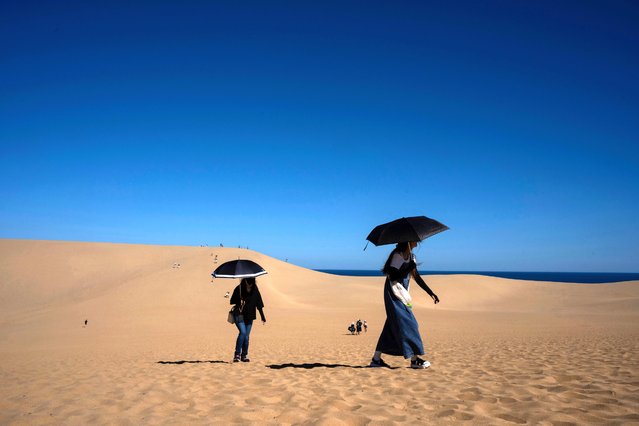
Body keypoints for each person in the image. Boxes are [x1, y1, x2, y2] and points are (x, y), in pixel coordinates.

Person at [370, 241, 440, 369]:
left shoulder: (411, 257)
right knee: (410, 322)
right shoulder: (398, 255)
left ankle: (376, 359)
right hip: (393, 292)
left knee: (392, 324)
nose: (417, 242)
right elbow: (393, 276)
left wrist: (431, 293)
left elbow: (416, 277)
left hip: (402, 294)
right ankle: (414, 360)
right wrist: (408, 267)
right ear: (408, 240)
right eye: (415, 239)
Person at [230, 277, 266, 362]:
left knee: (246, 336)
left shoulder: (255, 289)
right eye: (248, 282)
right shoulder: (239, 288)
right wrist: (240, 300)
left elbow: (259, 304)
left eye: (252, 282)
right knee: (243, 332)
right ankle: (237, 354)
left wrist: (262, 316)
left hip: (250, 315)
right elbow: (231, 301)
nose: (250, 284)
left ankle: (244, 355)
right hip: (239, 314)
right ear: (245, 280)